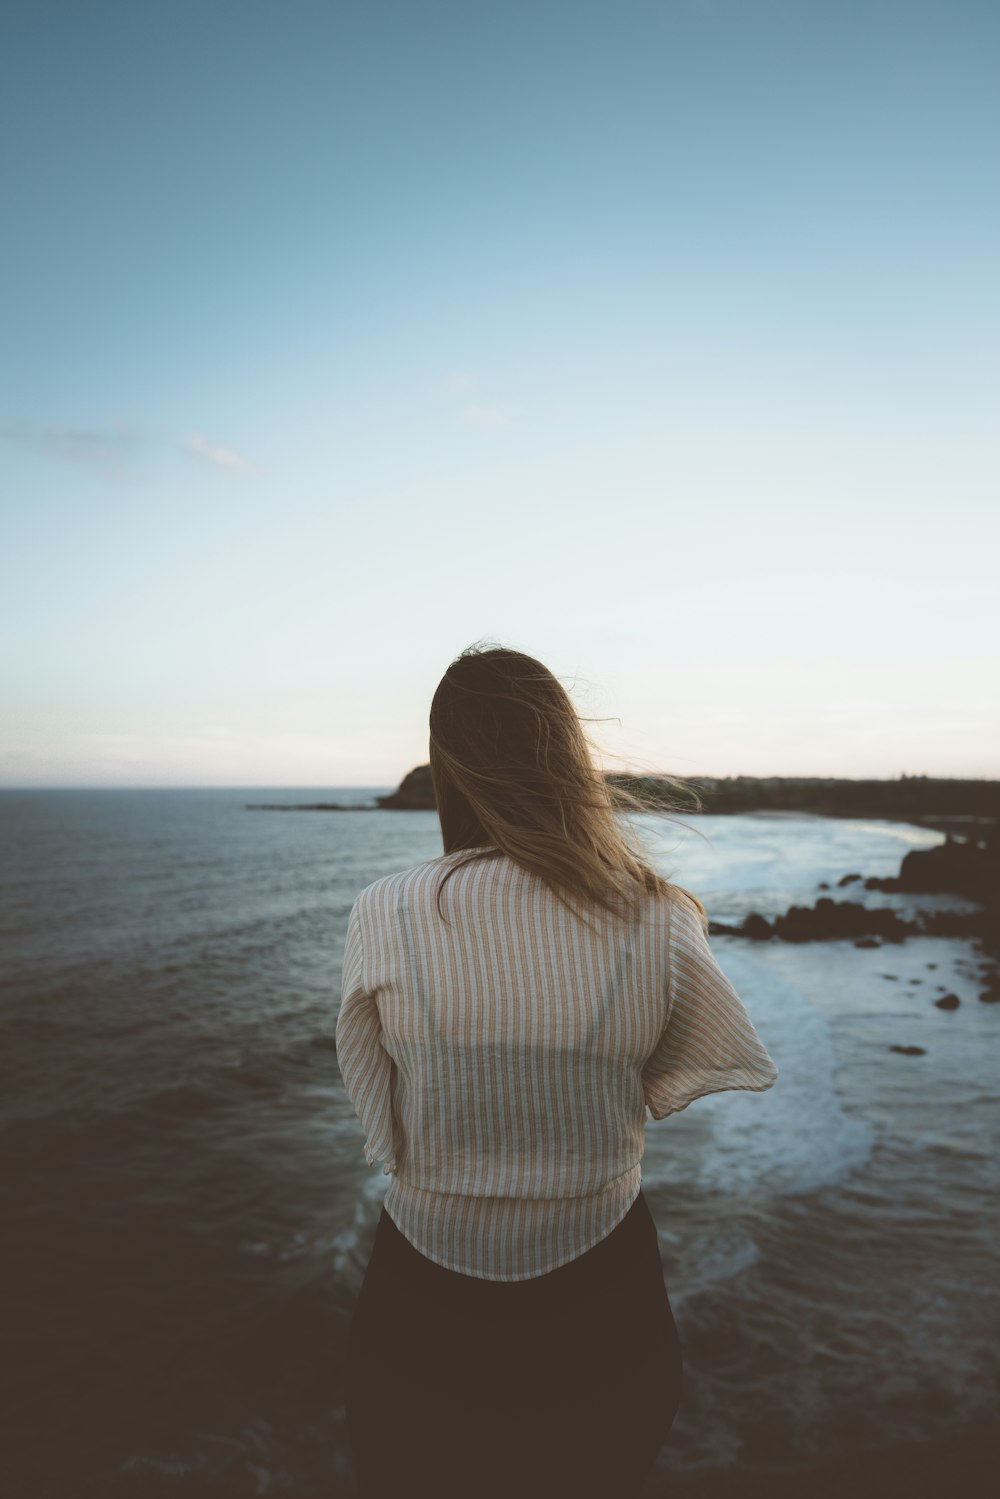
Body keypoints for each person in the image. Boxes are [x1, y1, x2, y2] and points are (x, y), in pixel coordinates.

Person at [335, 644, 779, 1498]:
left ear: (446, 766)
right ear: (567, 757)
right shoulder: (654, 913)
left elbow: (375, 1106)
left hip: (420, 1296)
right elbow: (677, 1071)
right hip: (603, 1296)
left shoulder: (381, 911)